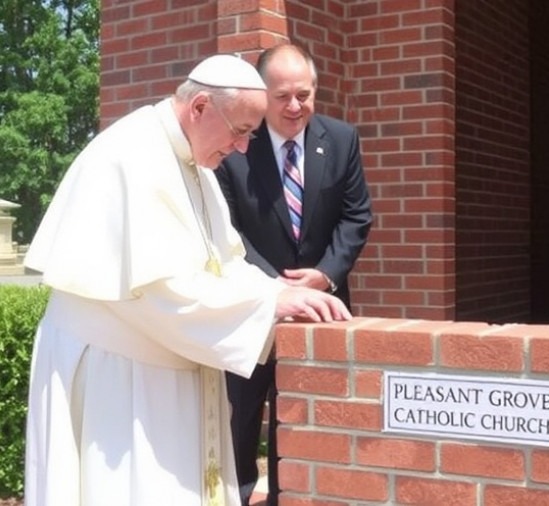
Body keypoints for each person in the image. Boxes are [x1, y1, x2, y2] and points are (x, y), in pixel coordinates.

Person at [22, 54, 352, 506]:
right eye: (239, 131)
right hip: (118, 379)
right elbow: (159, 289)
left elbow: (223, 263)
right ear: (199, 107)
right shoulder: (133, 156)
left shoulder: (194, 162)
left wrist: (279, 292)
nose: (241, 148)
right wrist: (267, 306)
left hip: (160, 372)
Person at [215, 43, 372, 505]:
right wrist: (275, 288)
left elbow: (356, 216)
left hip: (317, 313)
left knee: (305, 421)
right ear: (261, 93)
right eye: (282, 95)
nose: (295, 106)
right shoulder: (236, 145)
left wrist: (324, 276)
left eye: (304, 94)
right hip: (251, 311)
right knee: (241, 423)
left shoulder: (341, 139)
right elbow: (227, 230)